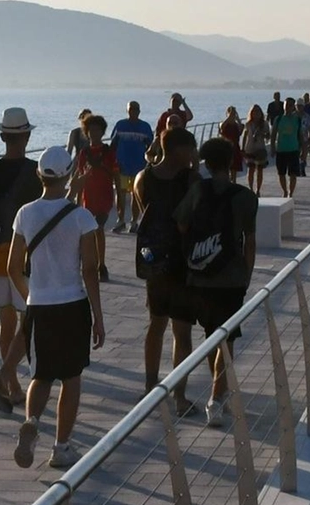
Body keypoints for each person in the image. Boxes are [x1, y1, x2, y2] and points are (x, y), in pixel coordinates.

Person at [7, 146, 105, 470]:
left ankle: (32, 421)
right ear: (70, 175)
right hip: (73, 304)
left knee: (42, 373)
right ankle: (61, 447)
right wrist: (98, 318)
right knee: (71, 377)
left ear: (39, 175)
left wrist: (31, 294)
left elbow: (12, 267)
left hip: (40, 305)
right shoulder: (82, 217)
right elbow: (90, 269)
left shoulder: (25, 213)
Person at [176, 137, 259, 428]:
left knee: (212, 336)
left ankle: (218, 392)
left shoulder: (197, 190)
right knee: (226, 338)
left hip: (199, 274)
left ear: (206, 162)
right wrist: (247, 275)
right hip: (231, 277)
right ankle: (216, 398)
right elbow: (249, 241)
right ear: (231, 160)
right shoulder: (246, 197)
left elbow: (182, 225)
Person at [0, 107, 44, 413]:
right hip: (24, 253)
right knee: (27, 318)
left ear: (3, 136)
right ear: (26, 135)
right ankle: (8, 377)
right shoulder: (34, 172)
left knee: (5, 319)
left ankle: (13, 385)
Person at [134, 127, 201, 416]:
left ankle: (150, 387)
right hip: (183, 262)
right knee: (181, 331)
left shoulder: (142, 177)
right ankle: (180, 396)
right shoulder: (191, 179)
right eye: (191, 150)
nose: (194, 155)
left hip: (154, 262)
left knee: (156, 324)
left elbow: (145, 215)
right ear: (177, 150)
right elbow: (193, 219)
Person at [71, 114, 121, 283]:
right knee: (89, 232)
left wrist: (120, 197)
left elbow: (116, 175)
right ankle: (92, 263)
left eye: (97, 130)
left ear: (102, 131)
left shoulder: (108, 152)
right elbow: (79, 177)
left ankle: (101, 265)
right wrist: (77, 202)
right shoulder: (84, 153)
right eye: (91, 130)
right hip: (88, 198)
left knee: (98, 229)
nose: (94, 133)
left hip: (104, 197)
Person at [110, 101, 155, 233]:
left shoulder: (145, 127)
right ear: (127, 110)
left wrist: (149, 163)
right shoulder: (120, 125)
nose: (133, 111)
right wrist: (113, 163)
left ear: (139, 111)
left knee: (135, 195)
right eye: (131, 109)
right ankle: (120, 220)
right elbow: (113, 146)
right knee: (121, 193)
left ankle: (134, 221)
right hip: (122, 166)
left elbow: (150, 148)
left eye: (135, 109)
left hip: (139, 167)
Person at [273, 97, 305, 197]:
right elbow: (273, 134)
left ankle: (291, 192)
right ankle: (285, 191)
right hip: (281, 150)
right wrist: (272, 147)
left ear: (293, 107)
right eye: (286, 105)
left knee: (293, 174)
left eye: (290, 105)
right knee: (281, 173)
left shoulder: (297, 120)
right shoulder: (278, 119)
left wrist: (304, 150)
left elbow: (301, 136)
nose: (288, 107)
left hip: (293, 149)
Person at [242, 104, 270, 196]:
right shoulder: (248, 124)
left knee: (260, 170)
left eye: (258, 111)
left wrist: (262, 133)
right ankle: (250, 188)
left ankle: (258, 189)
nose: (256, 113)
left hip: (260, 149)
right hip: (249, 148)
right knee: (250, 169)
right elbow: (245, 136)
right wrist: (242, 148)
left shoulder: (264, 123)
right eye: (254, 111)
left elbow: (268, 136)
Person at [220, 106, 245, 179]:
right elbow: (222, 127)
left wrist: (237, 119)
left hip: (235, 147)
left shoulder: (236, 125)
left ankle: (233, 182)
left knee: (234, 168)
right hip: (226, 147)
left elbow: (241, 128)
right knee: (226, 167)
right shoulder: (224, 123)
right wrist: (229, 117)